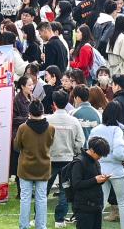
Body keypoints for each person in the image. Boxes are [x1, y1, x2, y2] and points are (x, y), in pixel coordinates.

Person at [87, 100, 124, 229]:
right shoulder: (117, 130)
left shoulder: (95, 130)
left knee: (100, 203)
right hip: (116, 170)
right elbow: (119, 153)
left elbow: (89, 149)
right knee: (122, 202)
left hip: (100, 169)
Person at [14, 100, 56, 229]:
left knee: (25, 198)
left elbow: (16, 146)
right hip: (43, 168)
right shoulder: (51, 128)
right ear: (42, 111)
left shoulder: (23, 128)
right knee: (41, 199)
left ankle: (24, 226)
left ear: (29, 112)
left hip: (25, 167)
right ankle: (41, 226)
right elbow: (50, 144)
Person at [48, 90, 83, 228]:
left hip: (50, 159)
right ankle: (60, 219)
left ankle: (37, 217)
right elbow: (80, 141)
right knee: (64, 191)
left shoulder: (48, 120)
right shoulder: (73, 121)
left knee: (43, 190)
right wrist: (74, 151)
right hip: (68, 160)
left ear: (54, 104)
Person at [69, 136, 112, 229]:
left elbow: (94, 182)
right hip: (83, 207)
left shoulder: (95, 162)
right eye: (99, 155)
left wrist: (102, 180)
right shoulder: (79, 162)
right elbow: (76, 184)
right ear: (92, 150)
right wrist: (95, 180)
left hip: (97, 206)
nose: (100, 157)